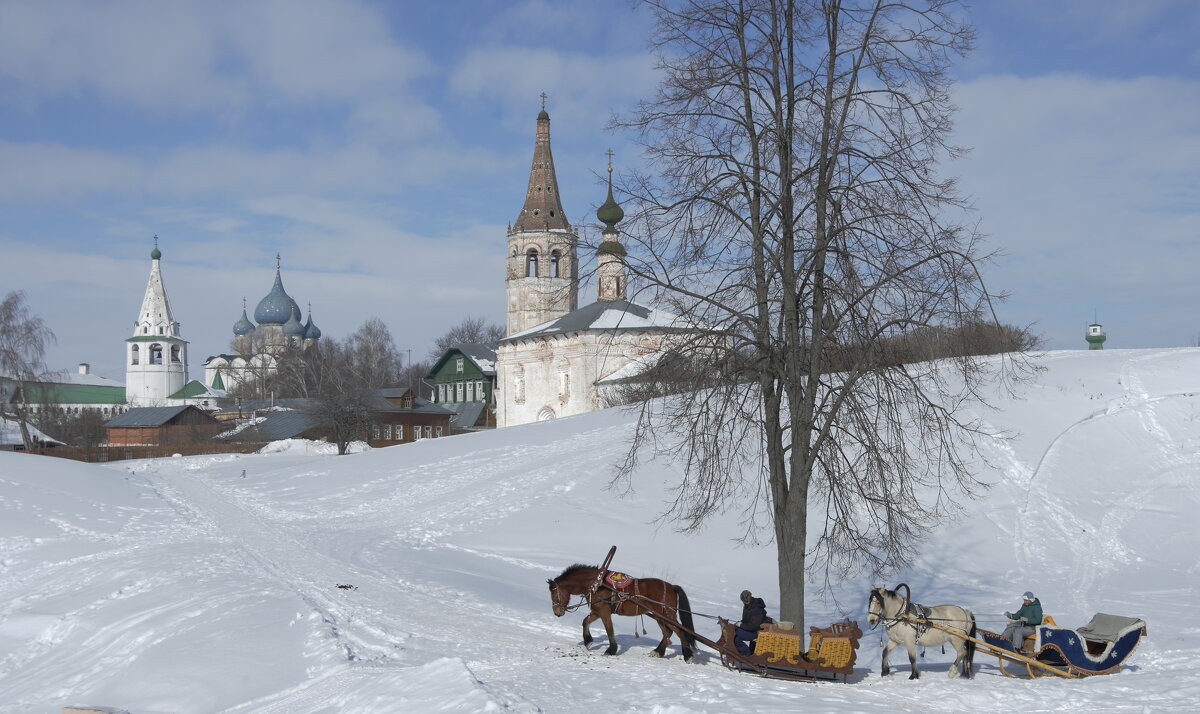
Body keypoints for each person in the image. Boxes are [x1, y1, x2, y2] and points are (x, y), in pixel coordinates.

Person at [733, 589, 769, 655]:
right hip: (752, 630)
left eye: (747, 601)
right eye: (744, 601)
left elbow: (753, 626)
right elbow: (746, 620)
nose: (745, 602)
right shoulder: (748, 606)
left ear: (750, 598)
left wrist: (740, 625)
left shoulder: (756, 609)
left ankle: (747, 654)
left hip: (757, 632)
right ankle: (742, 653)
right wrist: (740, 623)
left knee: (737, 633)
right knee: (735, 634)